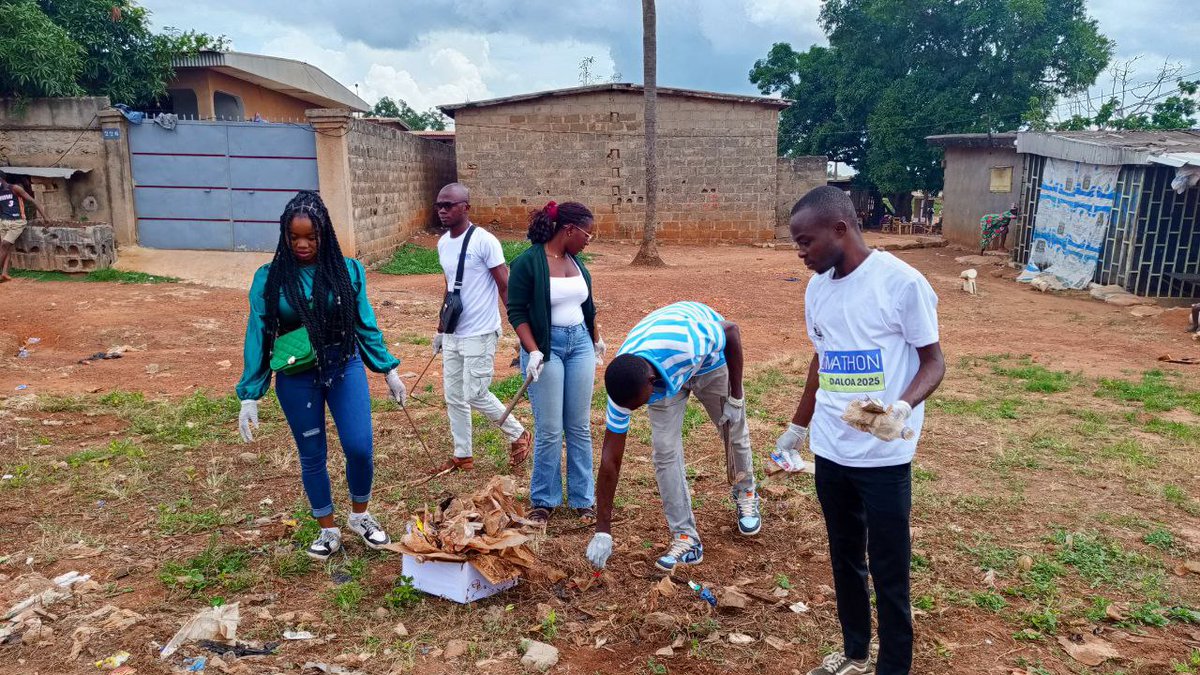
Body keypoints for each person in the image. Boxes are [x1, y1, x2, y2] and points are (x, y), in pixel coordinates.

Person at [778, 186, 944, 675]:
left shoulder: (901, 283)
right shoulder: (817, 289)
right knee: (845, 556)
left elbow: (934, 362)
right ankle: (854, 655)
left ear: (840, 229)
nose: (801, 252)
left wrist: (901, 406)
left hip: (882, 455)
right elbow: (822, 359)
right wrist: (798, 425)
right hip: (832, 449)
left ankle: (893, 667)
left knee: (890, 568)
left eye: (805, 241)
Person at [236, 190, 407, 561]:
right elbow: (258, 332)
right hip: (297, 375)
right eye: (294, 237)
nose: (302, 245)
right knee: (312, 453)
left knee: (360, 447)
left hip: (343, 364)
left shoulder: (347, 271)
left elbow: (365, 324)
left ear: (323, 234)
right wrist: (251, 393)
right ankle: (327, 528)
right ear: (284, 235)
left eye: (310, 237)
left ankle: (360, 516)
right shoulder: (270, 279)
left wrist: (388, 369)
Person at [585, 301, 760, 573]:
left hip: (709, 363)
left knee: (732, 426)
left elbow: (731, 331)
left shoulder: (689, 342)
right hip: (663, 371)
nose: (638, 411)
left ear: (651, 383)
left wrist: (736, 395)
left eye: (640, 404)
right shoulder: (624, 384)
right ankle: (686, 538)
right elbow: (610, 460)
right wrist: (602, 530)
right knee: (664, 452)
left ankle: (745, 492)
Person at [507, 201, 603, 525]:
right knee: (549, 428)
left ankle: (583, 499)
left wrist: (596, 337)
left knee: (578, 426)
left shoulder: (576, 263)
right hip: (546, 349)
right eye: (587, 235)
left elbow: (587, 305)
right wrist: (532, 350)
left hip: (579, 346)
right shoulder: (528, 263)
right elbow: (516, 311)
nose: (589, 241)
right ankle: (544, 500)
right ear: (569, 230)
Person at [432, 183, 531, 472]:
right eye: (439, 205)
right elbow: (449, 287)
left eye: (448, 205)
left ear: (466, 207)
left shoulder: (484, 241)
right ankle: (463, 455)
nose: (442, 210)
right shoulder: (442, 243)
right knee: (453, 395)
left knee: (475, 392)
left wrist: (520, 327)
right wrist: (440, 328)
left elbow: (504, 286)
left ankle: (518, 433)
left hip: (481, 331)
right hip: (454, 332)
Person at [0, 171, 48, 282]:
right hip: (3, 221)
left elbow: (33, 201)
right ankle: (4, 274)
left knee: (4, 245)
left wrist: (45, 217)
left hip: (17, 222)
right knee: (6, 247)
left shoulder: (15, 188)